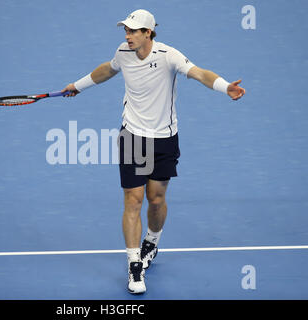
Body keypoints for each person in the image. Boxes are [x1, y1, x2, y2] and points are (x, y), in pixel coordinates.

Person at [62, 9, 245, 294]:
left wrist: (225, 87)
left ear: (148, 33)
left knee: (156, 200)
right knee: (133, 201)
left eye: (134, 30)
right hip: (133, 137)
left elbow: (199, 73)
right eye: (126, 29)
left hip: (164, 140)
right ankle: (134, 264)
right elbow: (108, 69)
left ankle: (152, 242)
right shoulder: (123, 52)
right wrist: (78, 86)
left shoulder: (168, 55)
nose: (127, 35)